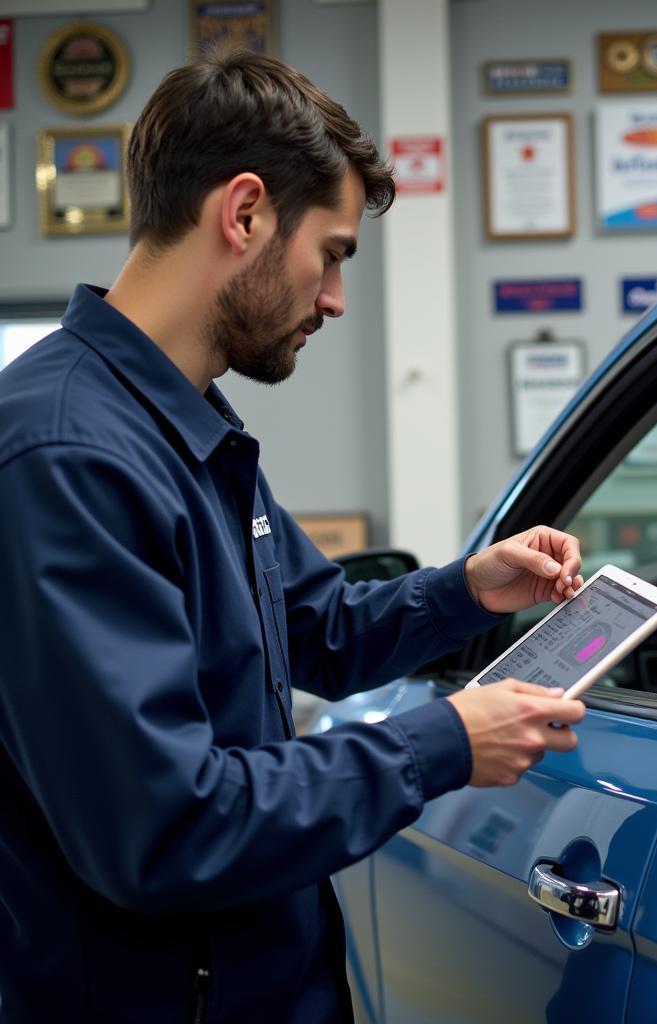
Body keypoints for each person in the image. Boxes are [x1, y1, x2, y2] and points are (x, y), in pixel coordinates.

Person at [0, 51, 586, 1024]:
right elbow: (167, 824)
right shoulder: (65, 456)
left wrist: (466, 589)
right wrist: (439, 743)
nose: (334, 299)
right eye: (334, 252)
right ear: (243, 214)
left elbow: (310, 625)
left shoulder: (183, 423)